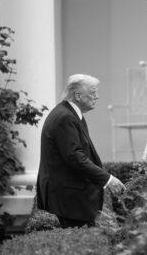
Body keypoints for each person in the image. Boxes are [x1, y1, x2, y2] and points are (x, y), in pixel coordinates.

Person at [36, 74, 125, 228]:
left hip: (70, 197)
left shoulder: (70, 114)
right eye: (93, 92)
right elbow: (74, 157)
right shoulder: (65, 117)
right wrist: (107, 179)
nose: (97, 97)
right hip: (69, 199)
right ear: (78, 96)